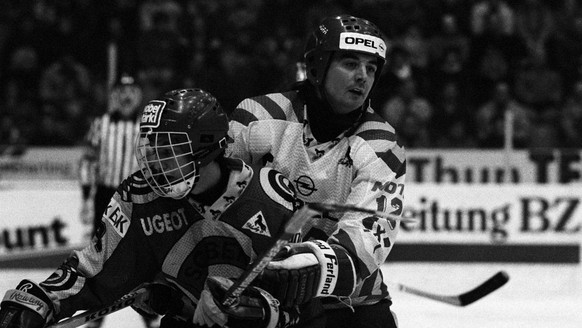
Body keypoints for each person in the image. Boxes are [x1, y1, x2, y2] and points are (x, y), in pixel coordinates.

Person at [0, 88, 322, 328]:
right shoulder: (140, 198)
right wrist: (42, 299)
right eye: (151, 150)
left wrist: (266, 314)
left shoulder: (269, 195)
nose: (154, 163)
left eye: (168, 150)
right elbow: (94, 270)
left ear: (206, 148)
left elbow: (306, 297)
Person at [227, 15, 406, 328]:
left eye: (371, 67)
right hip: (256, 294)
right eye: (350, 63)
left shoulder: (381, 143)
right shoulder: (257, 118)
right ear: (315, 69)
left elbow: (366, 238)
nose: (363, 76)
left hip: (348, 302)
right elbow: (214, 204)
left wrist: (313, 264)